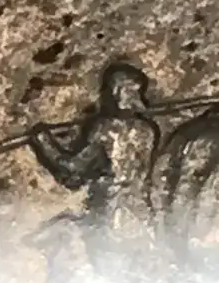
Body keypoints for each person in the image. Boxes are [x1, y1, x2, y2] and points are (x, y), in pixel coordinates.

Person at [28, 63, 161, 267]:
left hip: (107, 216)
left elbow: (72, 171)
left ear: (115, 92)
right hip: (140, 216)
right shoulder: (148, 130)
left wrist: (43, 141)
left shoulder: (106, 128)